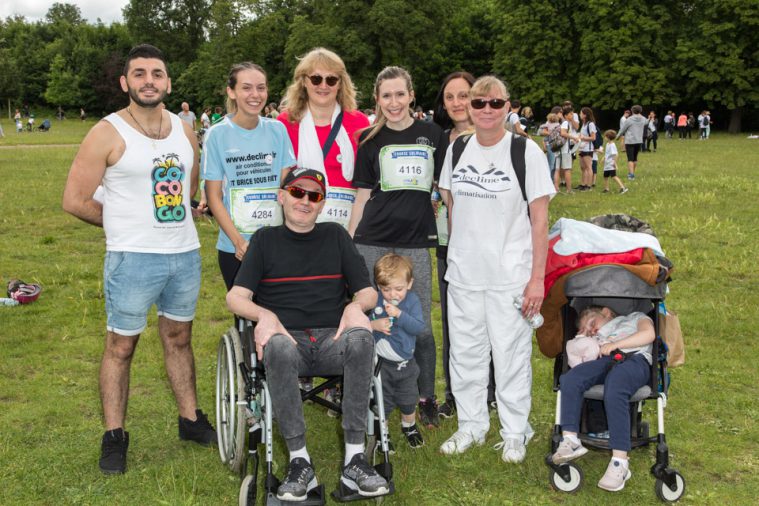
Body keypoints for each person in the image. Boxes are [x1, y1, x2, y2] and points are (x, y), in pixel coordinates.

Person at [61, 44, 214, 476]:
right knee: (121, 347)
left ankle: (190, 420)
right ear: (125, 83)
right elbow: (74, 200)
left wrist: (189, 206)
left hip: (183, 255)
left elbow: (189, 184)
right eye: (140, 73)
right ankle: (114, 437)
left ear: (168, 82)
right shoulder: (107, 132)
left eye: (157, 73)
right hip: (132, 259)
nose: (150, 80)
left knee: (179, 338)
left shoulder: (185, 131)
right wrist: (122, 226)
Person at [226, 168, 390, 501]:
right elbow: (235, 297)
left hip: (334, 337)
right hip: (287, 340)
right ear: (282, 195)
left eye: (314, 196)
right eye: (298, 193)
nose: (305, 201)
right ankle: (300, 462)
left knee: (362, 337)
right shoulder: (264, 240)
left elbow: (368, 293)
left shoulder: (336, 236)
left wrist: (357, 306)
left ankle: (355, 459)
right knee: (278, 348)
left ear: (322, 204)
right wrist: (264, 314)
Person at [438, 75, 555, 463]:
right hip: (464, 275)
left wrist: (536, 280)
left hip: (511, 278)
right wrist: (459, 256)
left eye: (495, 103)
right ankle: (471, 425)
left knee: (510, 357)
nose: (486, 110)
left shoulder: (526, 152)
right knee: (466, 355)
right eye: (478, 103)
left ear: (508, 107)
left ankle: (515, 431)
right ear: (468, 108)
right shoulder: (456, 150)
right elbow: (452, 208)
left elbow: (540, 221)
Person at [349, 66, 448, 428]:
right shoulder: (367, 139)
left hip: (416, 243)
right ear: (377, 99)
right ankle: (369, 393)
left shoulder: (433, 135)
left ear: (411, 95)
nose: (393, 102)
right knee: (370, 320)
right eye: (386, 95)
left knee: (419, 325)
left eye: (400, 94)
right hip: (372, 240)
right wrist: (349, 241)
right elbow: (361, 196)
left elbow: (447, 185)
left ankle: (425, 396)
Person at [203, 62, 296, 292]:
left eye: (261, 88)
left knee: (280, 318)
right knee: (245, 322)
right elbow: (213, 197)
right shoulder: (217, 134)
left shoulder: (278, 130)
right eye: (246, 88)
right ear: (231, 92)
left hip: (277, 243)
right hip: (235, 246)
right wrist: (238, 242)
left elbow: (286, 187)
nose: (255, 95)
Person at [550, 306, 655, 492]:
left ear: (606, 312)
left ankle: (620, 462)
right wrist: (583, 337)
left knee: (615, 386)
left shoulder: (634, 318)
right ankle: (570, 440)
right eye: (586, 329)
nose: (591, 330)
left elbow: (648, 334)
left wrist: (614, 345)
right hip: (604, 360)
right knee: (570, 379)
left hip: (635, 359)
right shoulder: (595, 339)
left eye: (591, 323)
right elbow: (578, 357)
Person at [431, 71, 481, 420]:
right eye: (450, 97)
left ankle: (490, 391)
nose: (457, 103)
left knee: (489, 320)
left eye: (464, 95)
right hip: (448, 241)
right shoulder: (438, 139)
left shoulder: (495, 136)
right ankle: (454, 393)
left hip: (488, 243)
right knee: (454, 321)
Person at [277, 47, 369, 231]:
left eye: (331, 79)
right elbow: (280, 178)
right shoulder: (285, 122)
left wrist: (353, 232)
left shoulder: (359, 122)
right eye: (316, 78)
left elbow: (366, 182)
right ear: (304, 81)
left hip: (347, 222)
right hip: (299, 220)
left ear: (340, 84)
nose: (324, 86)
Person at [370, 253, 426, 449]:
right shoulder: (375, 301)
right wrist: (375, 326)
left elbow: (418, 328)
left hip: (405, 363)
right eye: (386, 289)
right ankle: (382, 435)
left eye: (399, 289)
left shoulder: (411, 301)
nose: (393, 294)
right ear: (378, 286)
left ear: (409, 284)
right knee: (382, 399)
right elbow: (362, 325)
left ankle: (409, 425)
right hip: (382, 364)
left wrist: (400, 315)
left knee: (408, 398)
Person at [615, 105, 645, 180]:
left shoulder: (629, 119)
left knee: (630, 159)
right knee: (635, 158)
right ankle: (632, 173)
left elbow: (622, 129)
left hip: (630, 141)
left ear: (632, 111)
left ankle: (631, 175)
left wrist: (617, 137)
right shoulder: (643, 119)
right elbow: (647, 121)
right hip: (639, 141)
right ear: (640, 111)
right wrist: (640, 114)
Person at [557, 104, 580, 193]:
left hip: (562, 150)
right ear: (566, 115)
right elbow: (563, 133)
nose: (572, 115)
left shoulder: (566, 123)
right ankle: (569, 190)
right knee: (567, 169)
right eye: (570, 114)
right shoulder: (566, 123)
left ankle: (559, 188)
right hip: (565, 150)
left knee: (560, 169)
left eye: (573, 113)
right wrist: (573, 138)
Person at [577, 107, 598, 191]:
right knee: (582, 167)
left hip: (588, 149)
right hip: (582, 148)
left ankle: (588, 186)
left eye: (581, 113)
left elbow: (593, 137)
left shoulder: (591, 124)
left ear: (585, 115)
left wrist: (583, 137)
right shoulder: (584, 124)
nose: (580, 114)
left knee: (588, 167)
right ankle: (583, 184)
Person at [601, 130, 628, 194]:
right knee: (605, 176)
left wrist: (615, 163)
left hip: (611, 164)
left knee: (614, 176)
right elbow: (607, 153)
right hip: (607, 164)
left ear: (608, 137)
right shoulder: (608, 144)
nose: (604, 138)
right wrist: (604, 158)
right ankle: (606, 189)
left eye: (605, 136)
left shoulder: (612, 145)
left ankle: (623, 188)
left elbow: (616, 155)